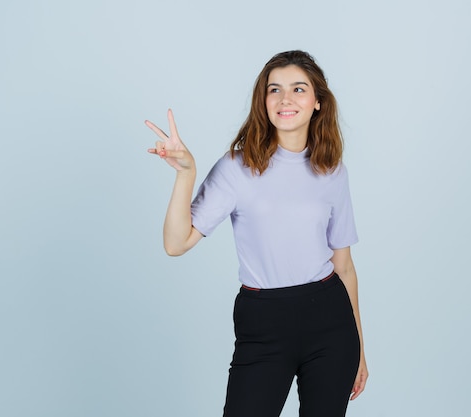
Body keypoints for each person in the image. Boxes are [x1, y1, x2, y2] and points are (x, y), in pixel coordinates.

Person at [145, 50, 368, 417]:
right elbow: (175, 243)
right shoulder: (238, 167)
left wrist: (360, 347)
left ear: (317, 102)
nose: (285, 99)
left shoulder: (332, 169)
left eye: (298, 89)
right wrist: (185, 173)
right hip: (264, 319)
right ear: (262, 101)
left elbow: (344, 266)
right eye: (274, 90)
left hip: (330, 318)